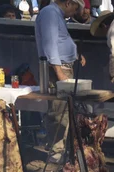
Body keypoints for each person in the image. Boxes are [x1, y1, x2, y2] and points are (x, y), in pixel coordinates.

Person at [35, 0, 86, 160]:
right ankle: (57, 152)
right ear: (68, 3)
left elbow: (60, 40)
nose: (75, 13)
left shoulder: (57, 15)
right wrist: (59, 73)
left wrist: (75, 54)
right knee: (58, 111)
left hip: (64, 66)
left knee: (66, 110)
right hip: (59, 69)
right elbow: (50, 45)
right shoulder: (50, 13)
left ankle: (63, 151)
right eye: (75, 8)